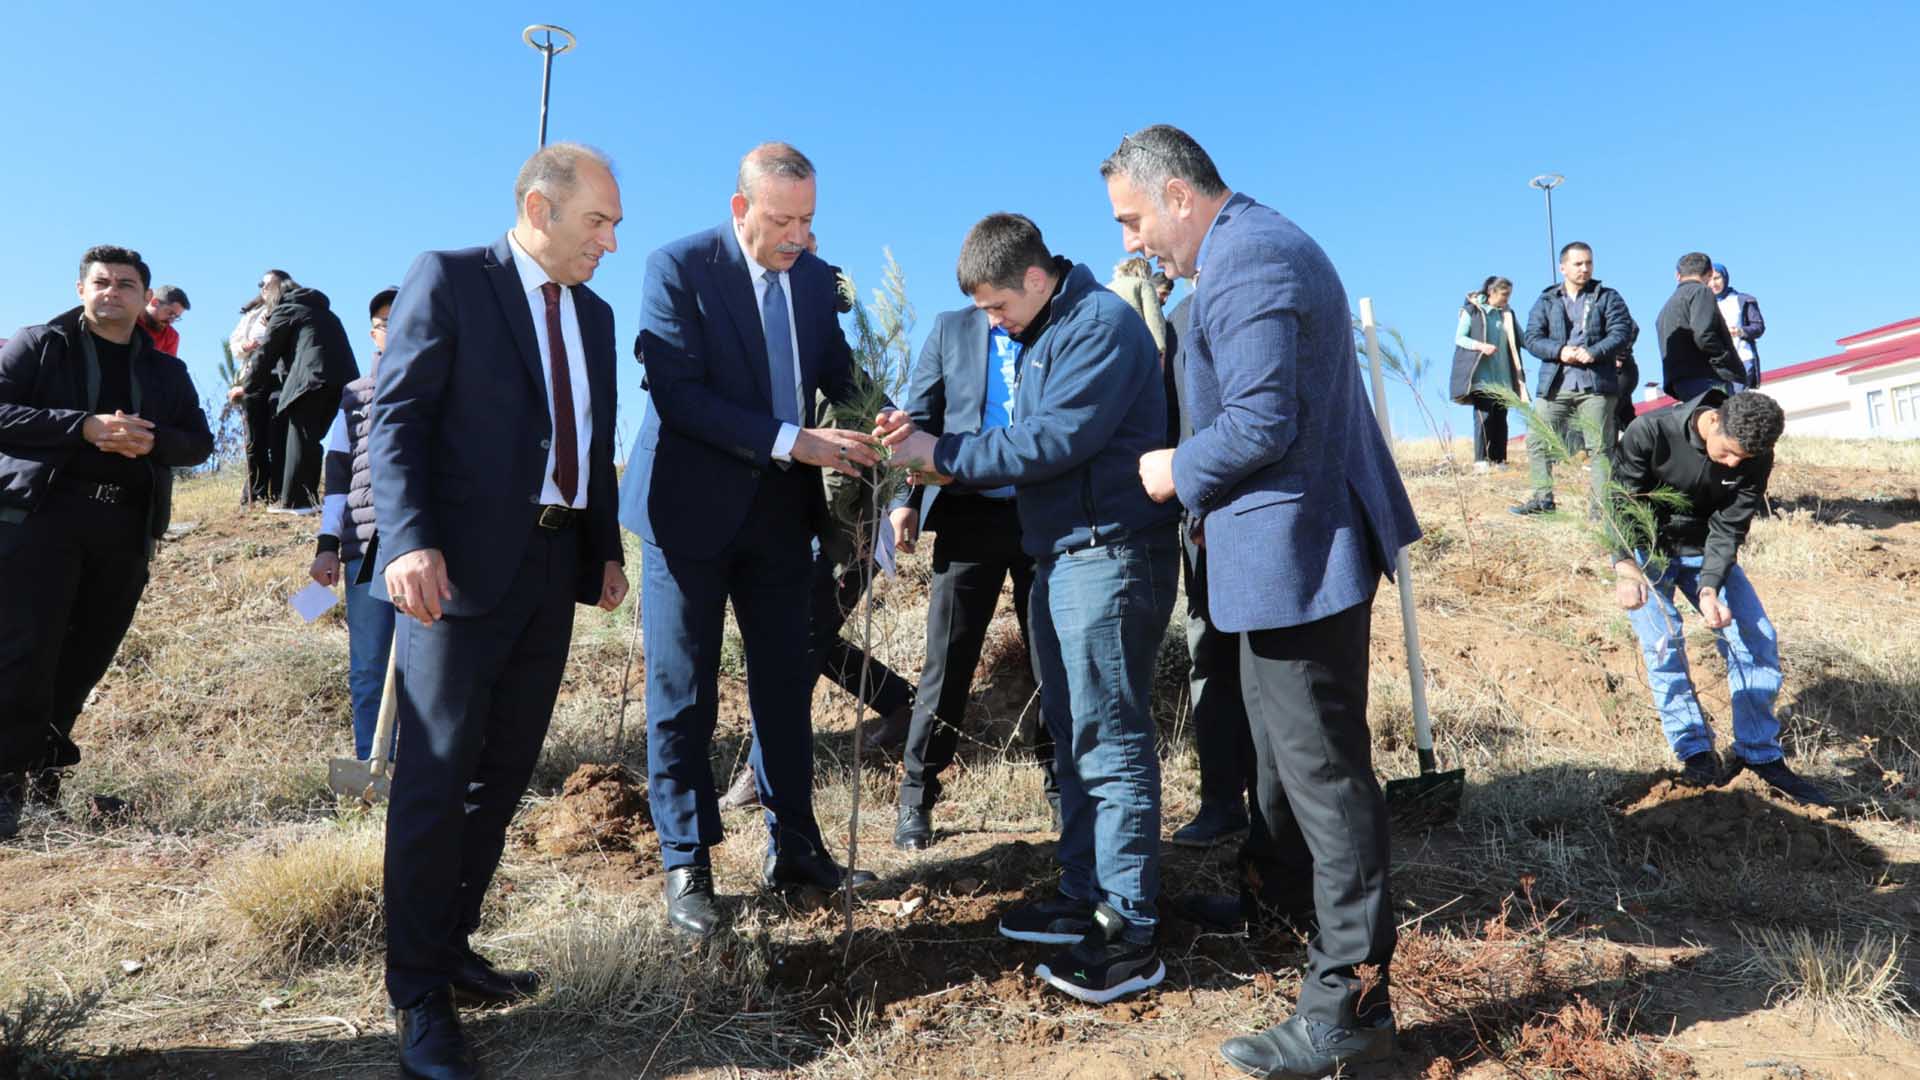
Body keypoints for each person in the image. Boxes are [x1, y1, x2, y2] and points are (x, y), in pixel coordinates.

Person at [1105, 124, 1421, 1075]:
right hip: (1275, 560)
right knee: (1282, 761)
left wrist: (1175, 469)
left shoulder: (1249, 258)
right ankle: (1281, 908)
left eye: (1133, 220)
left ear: (1178, 196)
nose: (1132, 242)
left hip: (1300, 555)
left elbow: (1258, 421)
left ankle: (1350, 1007)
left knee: (1323, 774)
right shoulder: (1242, 251)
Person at [369, 143, 628, 1080]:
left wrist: (603, 547)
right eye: (597, 222)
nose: (609, 243)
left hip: (551, 566)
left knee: (505, 769)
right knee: (436, 777)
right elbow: (398, 417)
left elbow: (591, 438)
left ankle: (451, 947)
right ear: (538, 208)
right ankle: (417, 995)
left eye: (615, 226)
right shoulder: (451, 279)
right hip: (454, 572)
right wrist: (407, 541)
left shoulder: (594, 315)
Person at [881, 212, 1179, 1006]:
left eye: (996, 306)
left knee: (1110, 742)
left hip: (1109, 554)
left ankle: (1129, 930)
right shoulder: (1047, 331)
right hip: (1063, 555)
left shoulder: (1098, 328)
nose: (991, 323)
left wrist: (939, 456)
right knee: (1076, 735)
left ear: (1036, 279)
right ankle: (1082, 893)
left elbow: (1049, 443)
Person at [629, 142, 883, 942]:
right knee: (684, 693)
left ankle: (795, 848)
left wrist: (882, 417)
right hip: (687, 513)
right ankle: (687, 864)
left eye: (808, 220)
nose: (797, 237)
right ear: (741, 208)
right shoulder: (678, 268)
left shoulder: (813, 279)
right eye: (781, 221)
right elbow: (678, 396)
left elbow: (841, 374)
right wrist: (791, 440)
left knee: (783, 685)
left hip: (779, 516)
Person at [0, 246, 212, 839]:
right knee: (24, 652)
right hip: (42, 519)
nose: (111, 292)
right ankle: (5, 784)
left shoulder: (166, 370)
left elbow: (198, 442)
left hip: (124, 527)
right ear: (80, 290)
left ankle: (42, 780)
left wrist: (154, 443)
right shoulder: (39, 344)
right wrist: (83, 426)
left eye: (125, 284)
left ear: (145, 297)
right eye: (101, 282)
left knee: (86, 655)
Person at [713, 231, 918, 813]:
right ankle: (901, 702)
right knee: (799, 637)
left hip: (847, 538)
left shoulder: (840, 372)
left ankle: (762, 773)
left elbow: (883, 443)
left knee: (799, 644)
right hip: (797, 535)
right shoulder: (768, 371)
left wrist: (888, 512)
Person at [886, 300, 1061, 851]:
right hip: (969, 513)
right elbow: (919, 419)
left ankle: (1064, 793)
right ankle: (916, 796)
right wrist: (905, 500)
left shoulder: (1053, 327)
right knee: (948, 659)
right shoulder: (950, 328)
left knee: (1053, 658)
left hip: (1043, 514)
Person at [1610, 389, 1829, 806]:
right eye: (1727, 452)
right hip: (1644, 548)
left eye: (1742, 459)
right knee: (1663, 645)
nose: (1731, 464)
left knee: (1755, 636)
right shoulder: (1650, 431)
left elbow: (1730, 526)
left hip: (1705, 548)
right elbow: (1619, 501)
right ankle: (1695, 754)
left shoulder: (1755, 455)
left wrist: (1709, 586)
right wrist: (1625, 565)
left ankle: (1759, 754)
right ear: (1712, 421)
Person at [1159, 288, 1255, 852]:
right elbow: (1183, 421)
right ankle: (1222, 802)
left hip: (1267, 522)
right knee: (1212, 659)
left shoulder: (1255, 293)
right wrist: (1195, 506)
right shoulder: (1180, 318)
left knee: (1268, 671)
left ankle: (1276, 808)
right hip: (1202, 526)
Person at [310, 287, 399, 761]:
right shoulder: (354, 396)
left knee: (427, 668)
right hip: (367, 549)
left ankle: (424, 771)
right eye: (385, 322)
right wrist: (327, 544)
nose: (395, 328)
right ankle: (372, 762)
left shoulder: (452, 385)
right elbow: (338, 475)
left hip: (431, 549)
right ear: (373, 333)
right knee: (368, 664)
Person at [1511, 242, 1633, 517]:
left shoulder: (1607, 297)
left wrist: (1594, 352)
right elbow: (1532, 338)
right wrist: (1559, 351)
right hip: (1555, 384)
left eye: (1588, 263)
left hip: (1596, 385)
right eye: (1578, 263)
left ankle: (1601, 508)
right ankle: (1543, 500)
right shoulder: (1547, 300)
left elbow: (1622, 331)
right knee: (1537, 440)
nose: (1584, 268)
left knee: (1600, 448)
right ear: (1563, 267)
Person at [263, 281, 360, 513]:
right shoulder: (326, 313)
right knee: (312, 438)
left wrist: (248, 387)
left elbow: (265, 355)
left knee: (300, 434)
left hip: (312, 380)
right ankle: (309, 499)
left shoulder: (286, 310)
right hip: (344, 383)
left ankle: (294, 502)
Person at [1448, 277, 1526, 472]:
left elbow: (1522, 338)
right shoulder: (1472, 311)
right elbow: (1460, 338)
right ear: (1491, 292)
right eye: (1504, 294)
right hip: (1481, 376)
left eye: (1509, 295)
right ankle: (1481, 460)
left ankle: (1499, 460)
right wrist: (1480, 346)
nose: (1507, 299)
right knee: (1484, 416)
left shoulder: (1507, 314)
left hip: (1503, 376)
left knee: (1501, 417)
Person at [228, 271, 293, 506]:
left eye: (266, 283)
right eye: (260, 284)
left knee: (278, 437)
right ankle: (255, 496)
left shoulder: (289, 309)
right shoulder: (253, 315)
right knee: (255, 440)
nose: (262, 287)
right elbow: (234, 344)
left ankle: (279, 494)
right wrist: (248, 346)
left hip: (281, 380)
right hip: (252, 378)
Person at [1656, 252, 1745, 401]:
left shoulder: (1667, 307)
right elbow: (1704, 334)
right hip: (1707, 376)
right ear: (1710, 273)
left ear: (1677, 275)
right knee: (1721, 415)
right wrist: (1724, 360)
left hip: (1680, 380)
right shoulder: (1700, 292)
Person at [1710, 262, 1766, 389]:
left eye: (1717, 278)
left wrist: (1739, 331)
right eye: (1709, 280)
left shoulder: (1742, 300)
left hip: (1742, 358)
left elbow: (1758, 327)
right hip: (1718, 365)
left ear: (1725, 277)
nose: (1713, 283)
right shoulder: (1704, 306)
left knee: (1737, 398)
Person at [1107, 255, 1169, 361]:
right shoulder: (1143, 284)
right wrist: (1160, 350)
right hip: (1135, 348)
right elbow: (1153, 318)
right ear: (1144, 271)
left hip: (1110, 349)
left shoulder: (1107, 288)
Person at [139, 284, 189, 357]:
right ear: (154, 302)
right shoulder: (130, 318)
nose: (171, 321)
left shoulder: (171, 336)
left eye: (176, 317)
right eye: (170, 313)